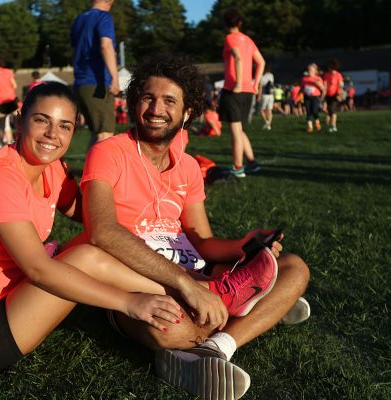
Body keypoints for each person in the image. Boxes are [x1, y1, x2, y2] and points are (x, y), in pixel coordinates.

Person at [73, 53, 310, 400]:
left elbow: (202, 239)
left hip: (200, 272)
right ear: (135, 103)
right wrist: (187, 286)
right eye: (148, 98)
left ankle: (218, 345)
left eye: (169, 100)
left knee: (295, 267)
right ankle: (256, 309)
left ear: (186, 113)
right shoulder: (109, 152)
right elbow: (103, 232)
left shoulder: (186, 166)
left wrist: (243, 244)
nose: (156, 108)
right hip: (141, 280)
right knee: (171, 330)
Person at [0, 81, 183, 376]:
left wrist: (146, 209)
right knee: (85, 256)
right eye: (42, 120)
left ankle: (183, 294)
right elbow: (38, 269)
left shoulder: (53, 168)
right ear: (19, 120)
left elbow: (89, 215)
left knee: (96, 240)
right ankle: (182, 294)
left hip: (15, 297)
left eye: (64, 126)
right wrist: (130, 302)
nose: (53, 134)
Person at [218, 7, 265, 178]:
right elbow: (261, 62)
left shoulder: (230, 38)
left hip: (234, 90)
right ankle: (252, 162)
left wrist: (237, 83)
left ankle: (238, 168)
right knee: (239, 129)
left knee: (235, 131)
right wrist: (255, 84)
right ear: (240, 23)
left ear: (225, 24)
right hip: (247, 91)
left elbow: (237, 57)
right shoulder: (248, 39)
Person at [70, 0, 120, 148]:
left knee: (97, 133)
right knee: (105, 134)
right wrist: (115, 77)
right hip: (96, 82)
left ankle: (89, 170)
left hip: (81, 82)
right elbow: (106, 45)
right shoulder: (104, 17)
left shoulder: (79, 19)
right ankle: (98, 171)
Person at [301, 63, 325, 133]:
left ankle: (317, 122)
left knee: (314, 111)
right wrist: (299, 95)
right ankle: (310, 127)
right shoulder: (304, 78)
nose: (309, 71)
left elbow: (323, 88)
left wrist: (317, 84)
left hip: (315, 97)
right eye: (308, 70)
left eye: (311, 70)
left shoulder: (318, 78)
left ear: (315, 71)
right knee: (308, 112)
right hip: (307, 97)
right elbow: (302, 88)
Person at [322, 59, 344, 132]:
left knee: (332, 110)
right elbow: (324, 85)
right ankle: (330, 125)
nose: (328, 68)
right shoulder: (326, 75)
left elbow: (341, 85)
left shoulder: (338, 75)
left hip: (335, 95)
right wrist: (323, 94)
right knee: (329, 111)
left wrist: (339, 94)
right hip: (328, 95)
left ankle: (334, 126)